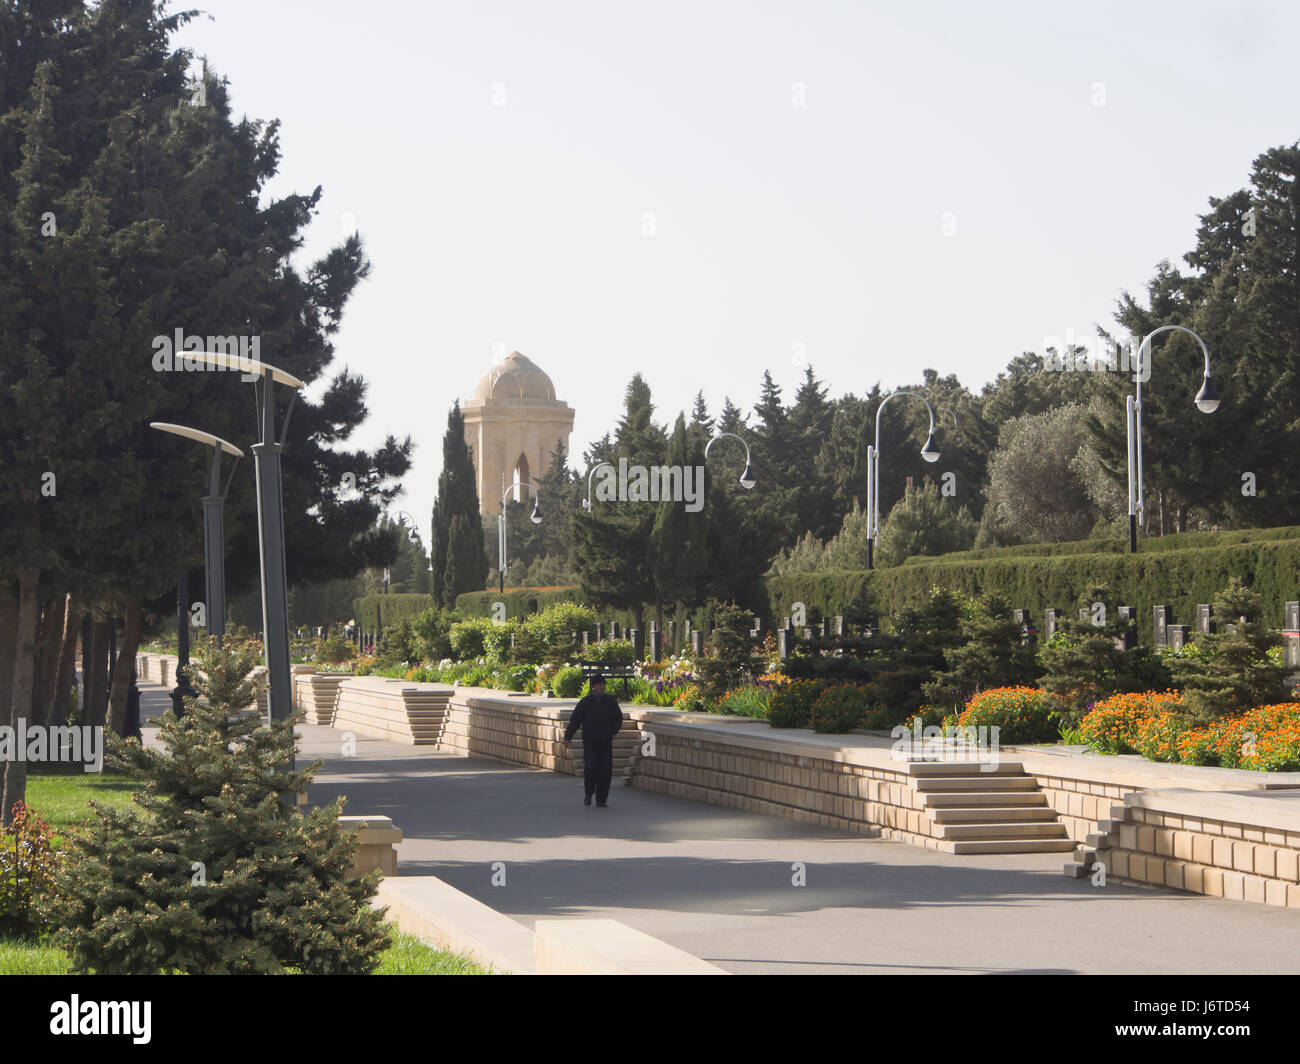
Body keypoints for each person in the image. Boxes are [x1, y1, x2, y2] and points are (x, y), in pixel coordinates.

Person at [562, 675, 624, 807]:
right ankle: (589, 793)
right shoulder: (585, 703)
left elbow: (618, 718)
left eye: (603, 684)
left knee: (605, 771)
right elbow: (575, 721)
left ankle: (602, 799)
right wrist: (568, 737)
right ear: (593, 686)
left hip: (605, 742)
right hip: (590, 742)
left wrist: (612, 731)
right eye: (599, 684)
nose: (602, 686)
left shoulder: (610, 702)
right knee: (591, 768)